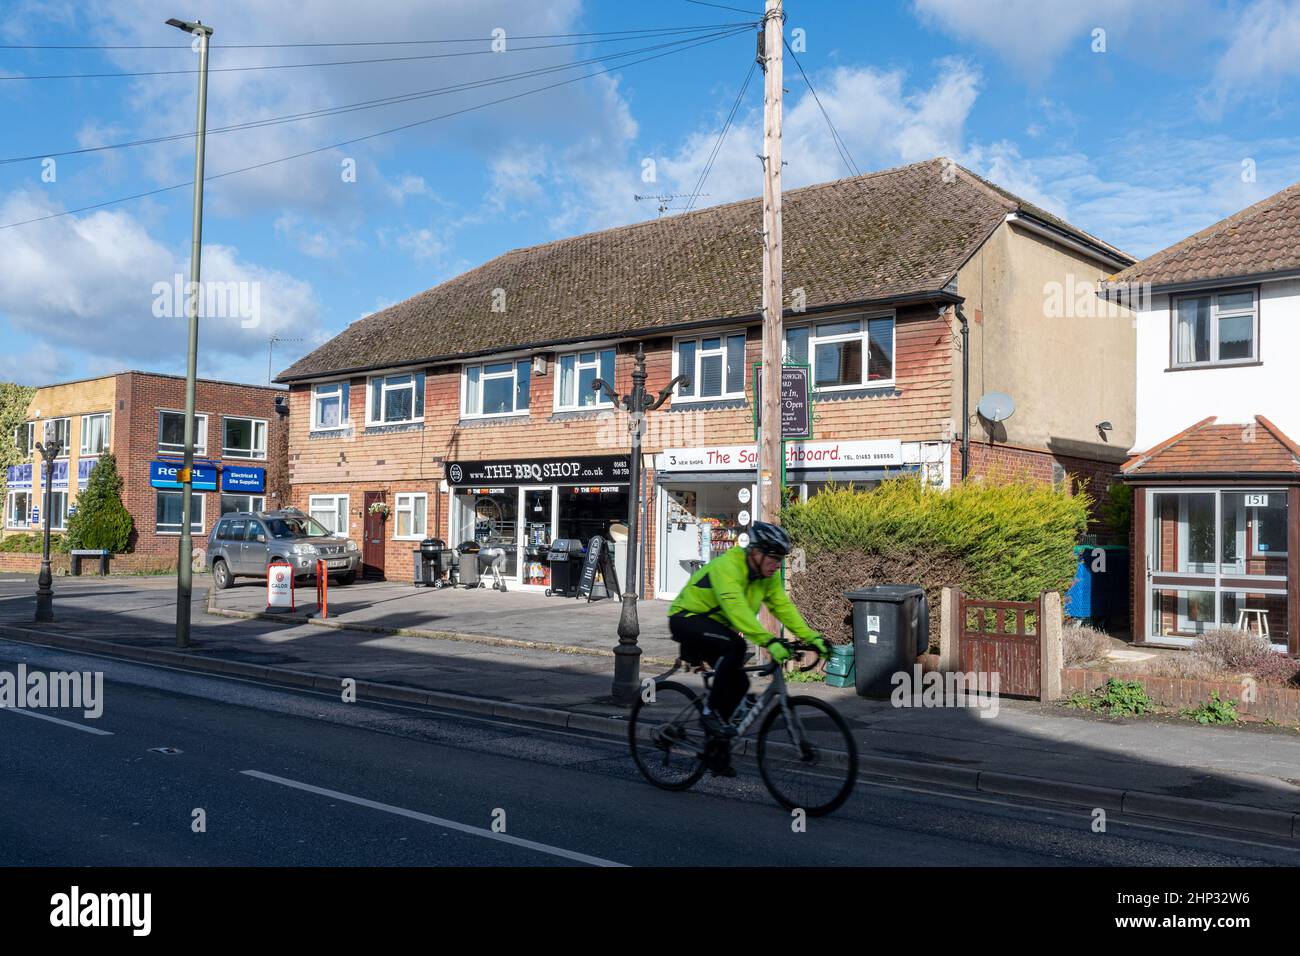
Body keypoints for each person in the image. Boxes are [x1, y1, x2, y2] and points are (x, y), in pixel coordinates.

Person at [668, 521, 829, 742]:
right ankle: (708, 714)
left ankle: (716, 747)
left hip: (716, 628)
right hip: (686, 618)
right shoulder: (728, 567)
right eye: (773, 558)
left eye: (780, 560)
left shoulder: (766, 578)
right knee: (736, 646)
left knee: (740, 684)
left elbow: (783, 608)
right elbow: (737, 611)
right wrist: (769, 641)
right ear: (755, 552)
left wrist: (813, 637)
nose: (776, 565)